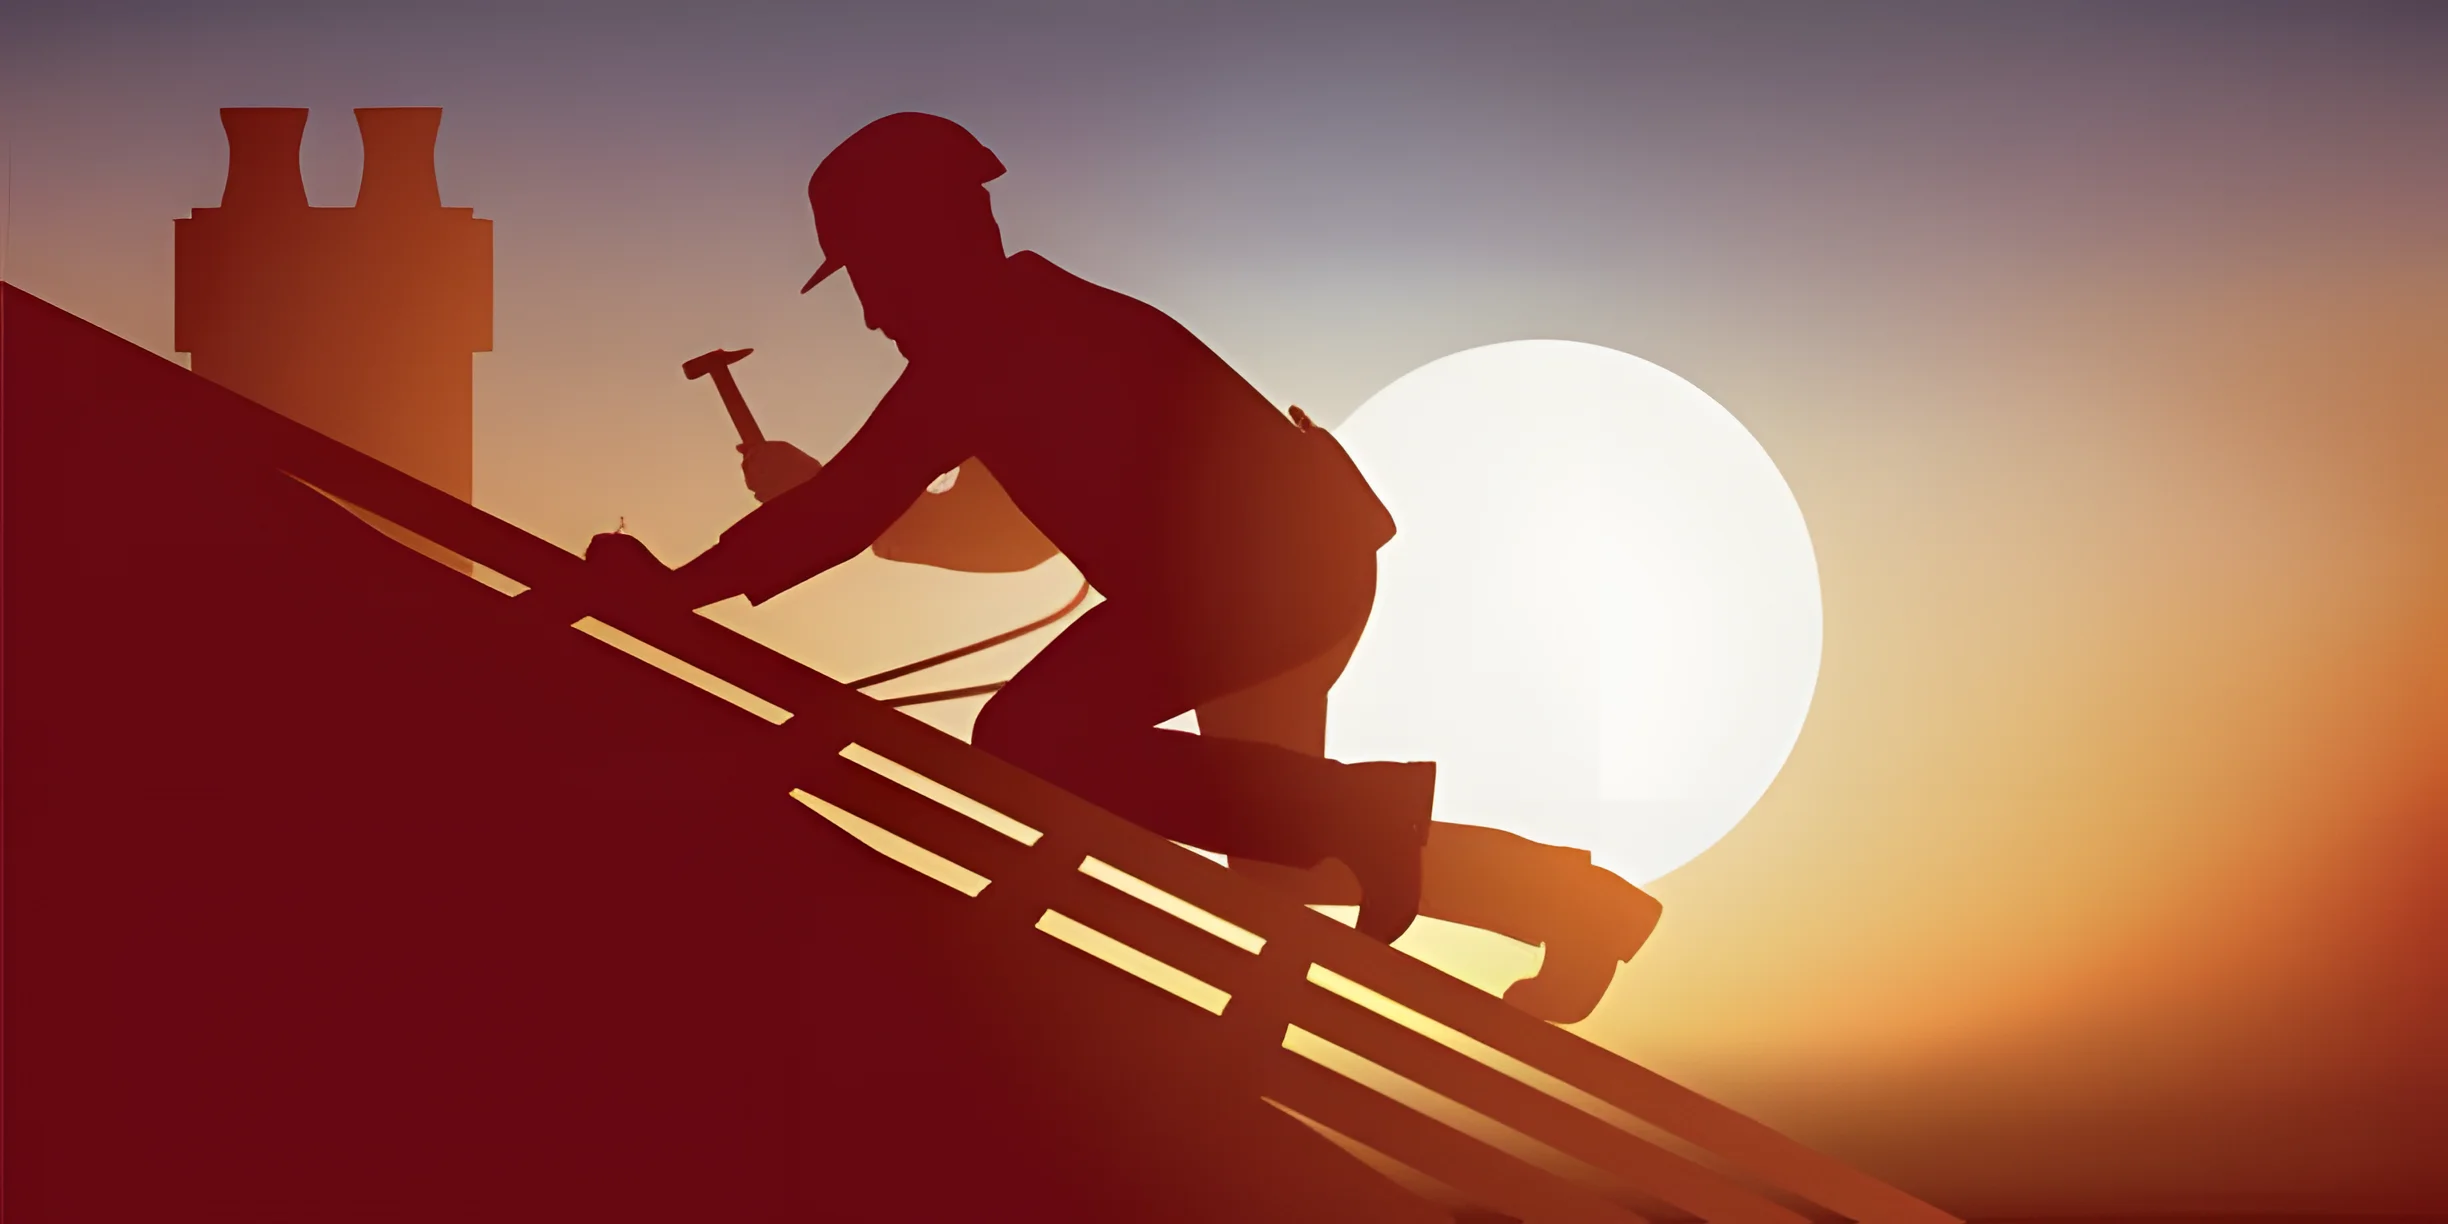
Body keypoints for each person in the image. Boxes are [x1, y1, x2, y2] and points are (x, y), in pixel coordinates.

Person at [601, 113, 1661, 1018]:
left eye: (873, 276)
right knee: (1268, 855)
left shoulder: (997, 344)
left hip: (1262, 582)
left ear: (932, 242)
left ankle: (1390, 835)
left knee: (1036, 739)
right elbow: (951, 522)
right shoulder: (1026, 328)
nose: (873, 313)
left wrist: (682, 586)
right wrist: (820, 515)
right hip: (1260, 578)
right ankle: (1572, 906)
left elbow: (880, 509)